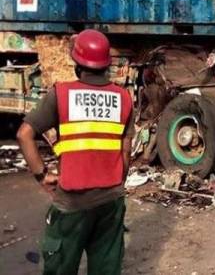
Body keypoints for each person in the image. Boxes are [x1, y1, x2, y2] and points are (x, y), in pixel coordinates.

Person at [17, 30, 134, 275]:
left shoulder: (61, 94)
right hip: (111, 201)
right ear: (106, 65)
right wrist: (115, 185)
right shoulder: (123, 98)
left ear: (77, 64)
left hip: (71, 203)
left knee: (61, 267)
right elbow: (125, 151)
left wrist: (42, 175)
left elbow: (24, 134)